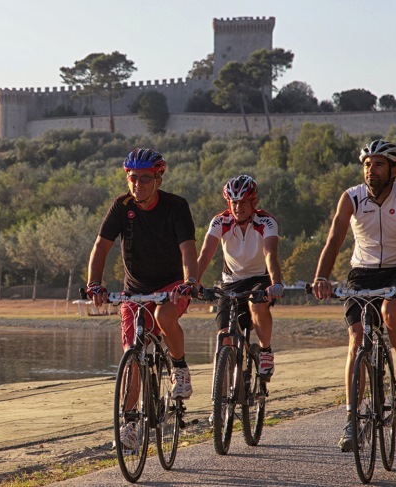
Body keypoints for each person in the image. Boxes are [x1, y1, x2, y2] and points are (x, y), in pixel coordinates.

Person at [311, 139, 396, 452]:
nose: (370, 170)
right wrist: (321, 277)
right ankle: (352, 417)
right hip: (361, 273)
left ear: (394, 168)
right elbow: (334, 239)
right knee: (356, 337)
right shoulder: (351, 197)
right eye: (366, 164)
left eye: (378, 164)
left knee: (391, 314)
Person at [85, 148, 199, 449]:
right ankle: (131, 424)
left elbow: (188, 248)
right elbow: (100, 247)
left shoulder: (176, 206)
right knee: (132, 355)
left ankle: (179, 368)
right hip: (135, 290)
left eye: (145, 179)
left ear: (159, 179)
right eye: (132, 178)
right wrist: (94, 284)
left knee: (164, 317)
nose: (138, 185)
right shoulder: (121, 207)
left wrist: (189, 282)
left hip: (173, 285)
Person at [196, 175, 284, 382]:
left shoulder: (266, 222)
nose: (238, 207)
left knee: (257, 305)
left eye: (243, 202)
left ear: (254, 202)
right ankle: (222, 400)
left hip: (259, 278)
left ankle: (265, 351)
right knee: (224, 336)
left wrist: (276, 283)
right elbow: (205, 254)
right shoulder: (220, 221)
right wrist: (192, 283)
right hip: (230, 281)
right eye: (234, 203)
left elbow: (270, 253)